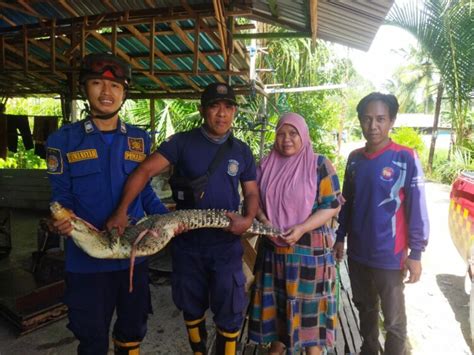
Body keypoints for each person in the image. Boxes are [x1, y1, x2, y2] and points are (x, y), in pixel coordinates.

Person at [106, 82, 260, 355]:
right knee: (191, 305)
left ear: (235, 111)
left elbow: (251, 191)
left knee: (230, 307)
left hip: (226, 244)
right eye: (214, 106)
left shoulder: (242, 151)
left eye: (228, 107)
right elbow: (143, 172)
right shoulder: (181, 143)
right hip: (187, 245)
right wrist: (121, 210)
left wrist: (248, 219)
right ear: (202, 110)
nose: (221, 114)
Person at [46, 52, 168, 355]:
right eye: (97, 83)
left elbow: (146, 195)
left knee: (132, 331)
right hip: (86, 263)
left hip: (132, 258)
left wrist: (168, 222)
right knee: (91, 338)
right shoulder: (63, 141)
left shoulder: (140, 140)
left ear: (124, 93)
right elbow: (61, 197)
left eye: (115, 86)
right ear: (84, 89)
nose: (106, 92)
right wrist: (59, 221)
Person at [334, 92, 430, 355]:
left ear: (391, 121)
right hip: (357, 254)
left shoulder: (406, 158)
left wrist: (417, 253)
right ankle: (368, 349)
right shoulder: (354, 159)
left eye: (380, 119)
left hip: (391, 255)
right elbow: (347, 202)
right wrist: (340, 237)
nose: (372, 126)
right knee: (365, 308)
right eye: (366, 119)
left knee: (394, 320)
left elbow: (417, 208)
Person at [248, 113, 342, 355]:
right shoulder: (266, 165)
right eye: (280, 133)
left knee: (310, 324)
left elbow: (332, 205)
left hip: (310, 259)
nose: (286, 139)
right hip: (274, 256)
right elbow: (253, 200)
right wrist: (264, 219)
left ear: (304, 135)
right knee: (279, 315)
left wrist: (302, 228)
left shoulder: (319, 164)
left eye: (293, 133)